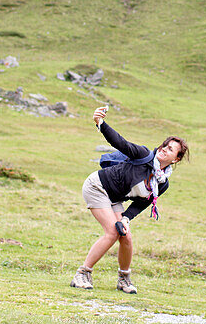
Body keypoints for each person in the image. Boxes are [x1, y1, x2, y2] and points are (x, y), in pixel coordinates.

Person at [71, 107, 189, 294]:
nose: (164, 150)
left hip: (113, 197)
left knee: (125, 235)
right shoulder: (143, 155)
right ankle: (82, 274)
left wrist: (125, 218)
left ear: (177, 159)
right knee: (111, 232)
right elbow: (120, 143)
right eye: (165, 146)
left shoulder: (162, 183)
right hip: (97, 186)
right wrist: (100, 123)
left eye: (171, 149)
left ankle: (124, 279)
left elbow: (141, 203)